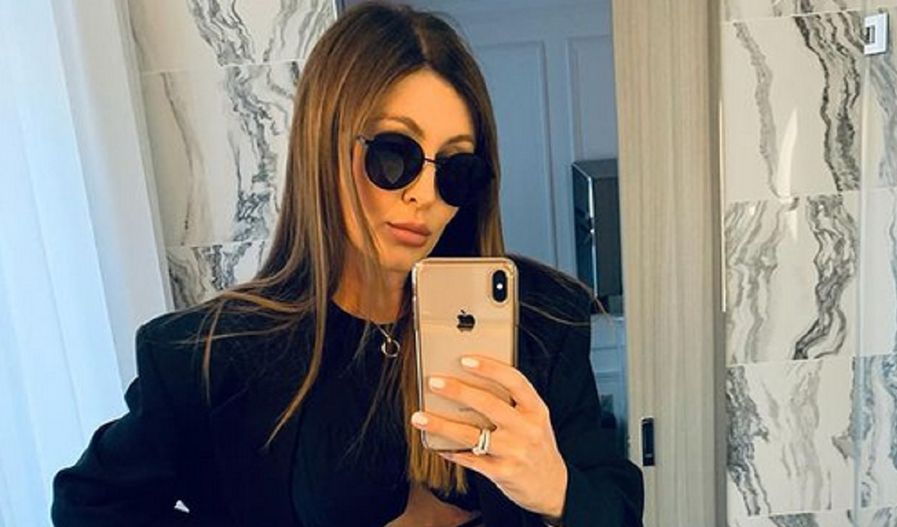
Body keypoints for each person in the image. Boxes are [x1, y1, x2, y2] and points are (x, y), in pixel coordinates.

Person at [51, 2, 644, 526]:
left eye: (456, 169)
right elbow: (89, 508)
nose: (424, 195)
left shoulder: (541, 321)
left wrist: (556, 490)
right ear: (324, 147)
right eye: (394, 155)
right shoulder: (212, 356)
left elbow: (617, 507)